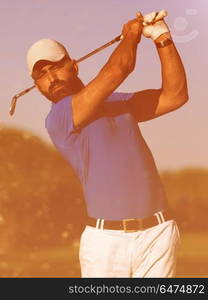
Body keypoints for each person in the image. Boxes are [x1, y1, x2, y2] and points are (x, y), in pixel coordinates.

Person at [26, 11, 188, 277]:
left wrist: (162, 38)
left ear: (74, 65)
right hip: (106, 244)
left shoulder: (118, 102)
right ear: (36, 85)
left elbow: (175, 95)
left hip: (159, 234)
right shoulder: (60, 117)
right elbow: (118, 70)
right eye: (41, 75)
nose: (51, 79)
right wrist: (131, 37)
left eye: (55, 66)